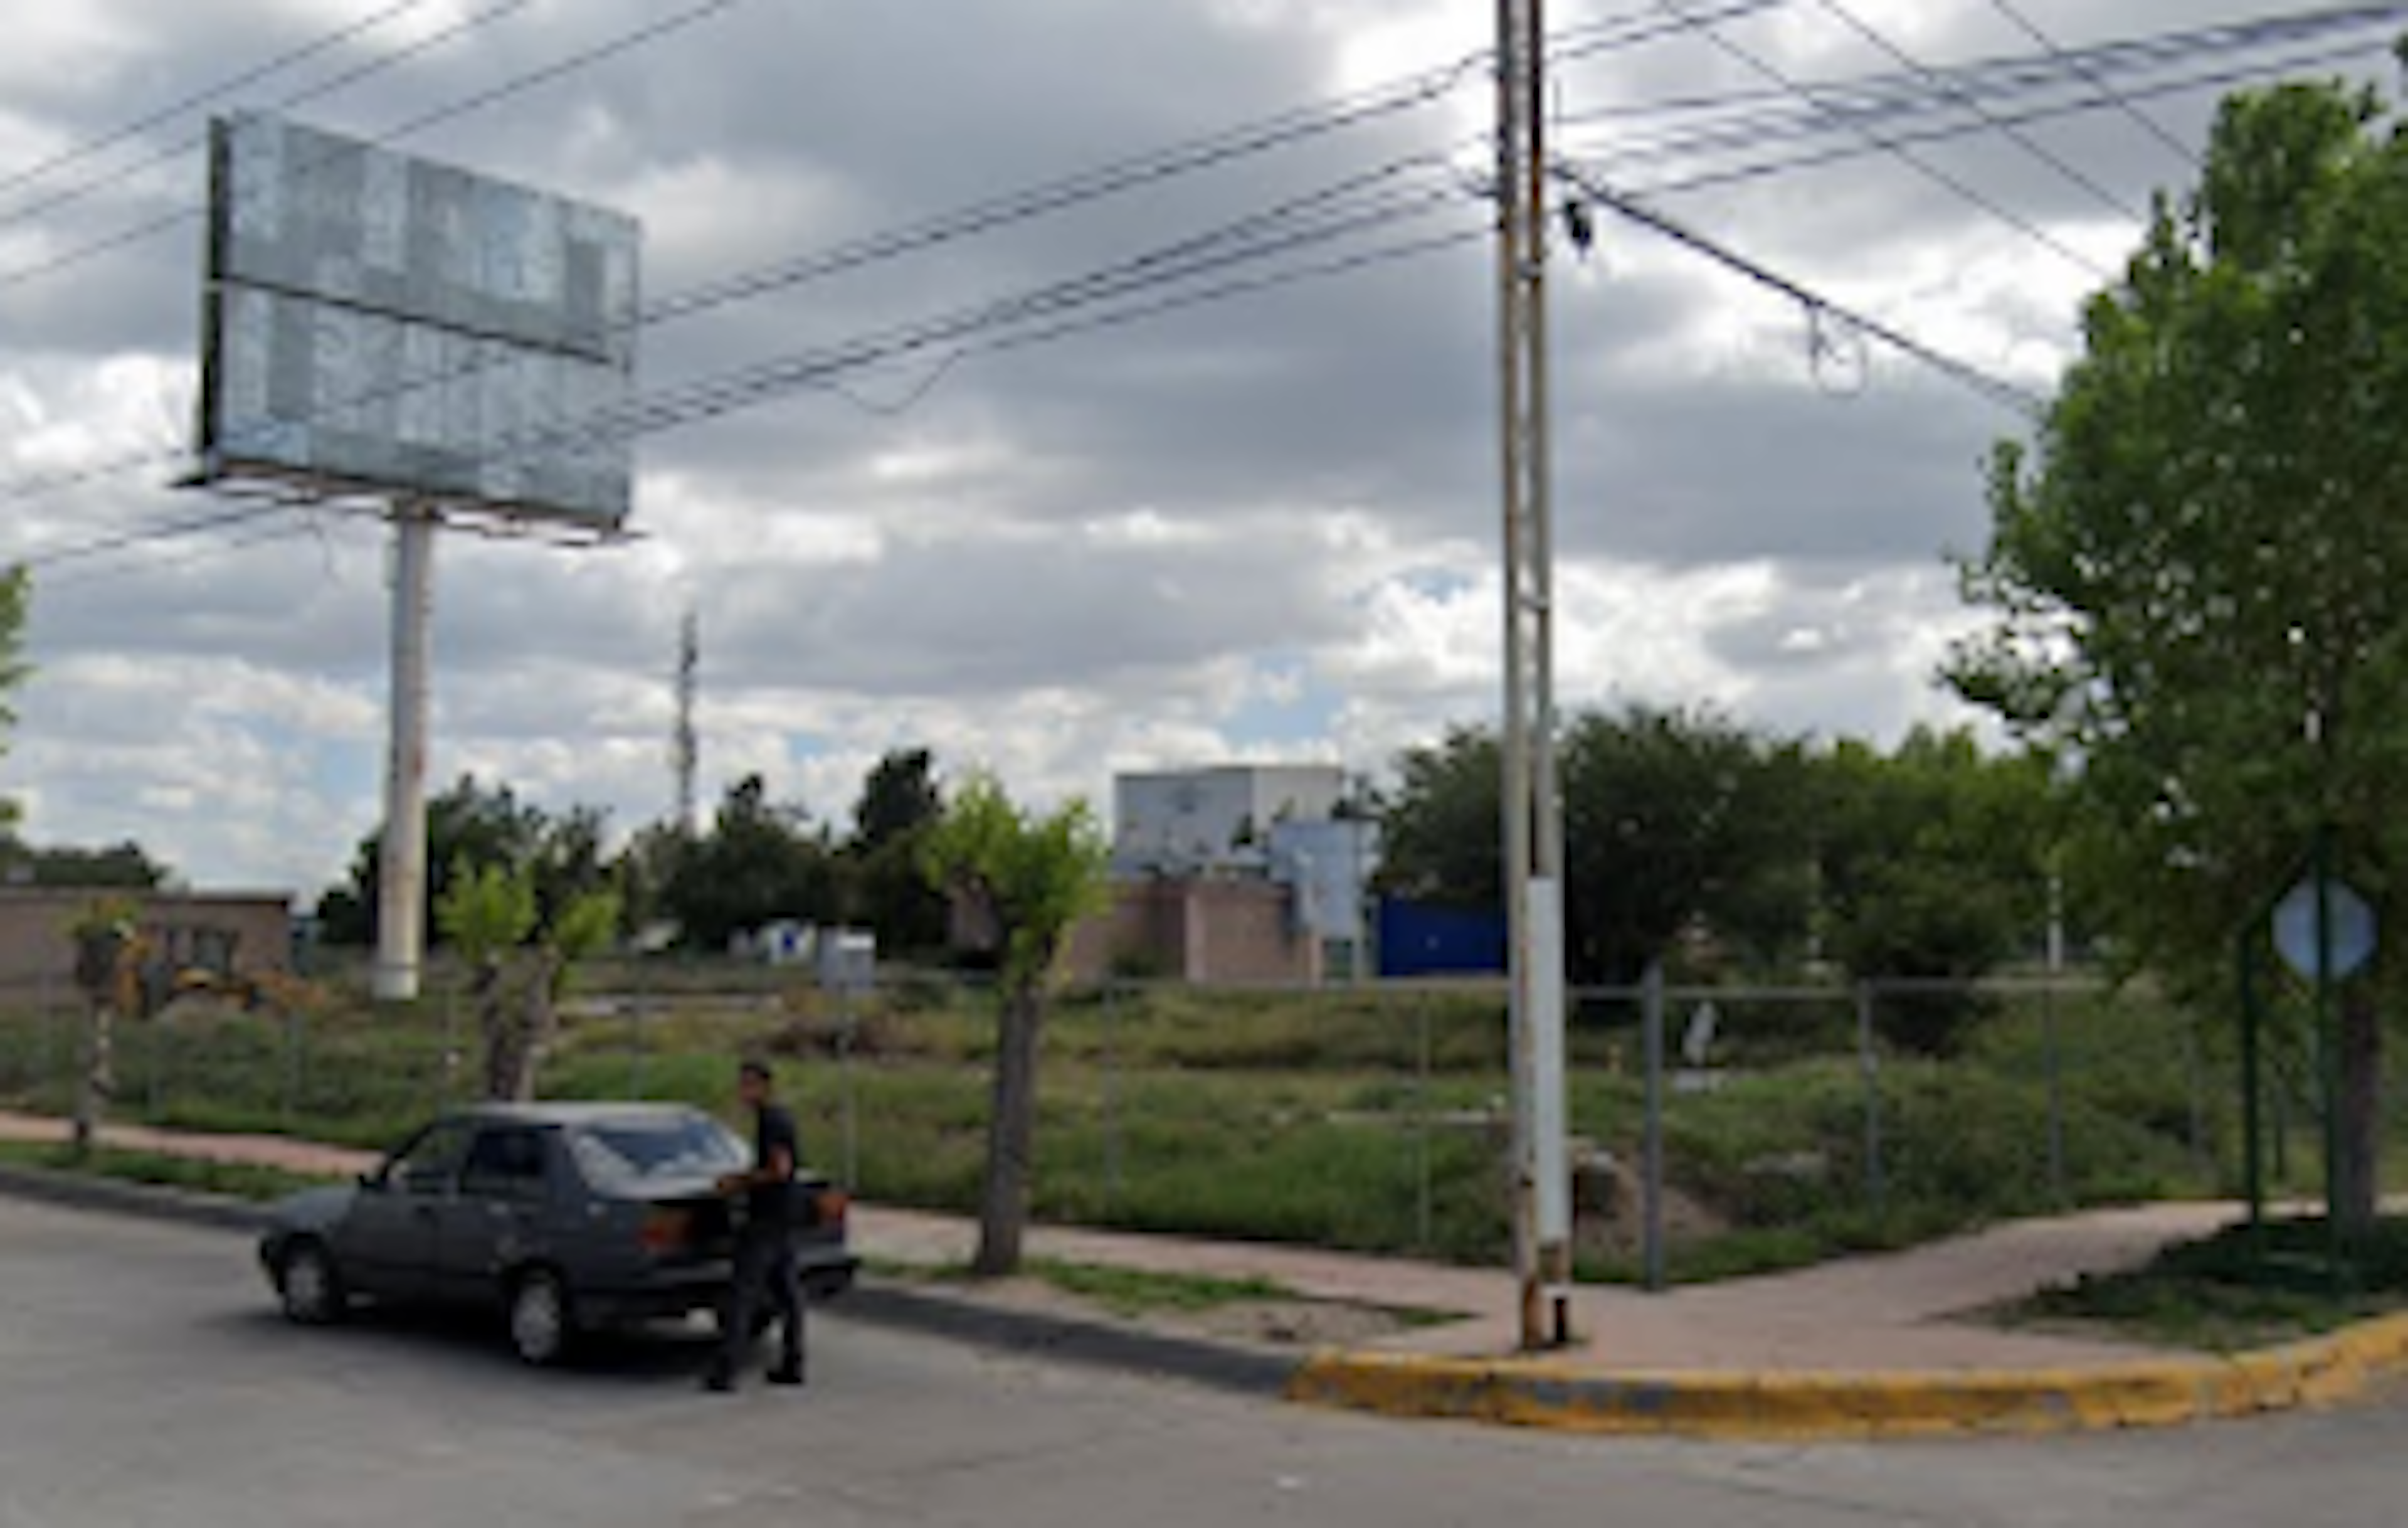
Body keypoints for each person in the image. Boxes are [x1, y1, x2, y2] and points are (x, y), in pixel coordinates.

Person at [704, 1059, 805, 1393]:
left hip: (767, 1219)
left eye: (748, 1084)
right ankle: (793, 1363)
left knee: (743, 1294)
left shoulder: (772, 1120)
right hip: (785, 1217)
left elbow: (780, 1169)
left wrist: (738, 1183)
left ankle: (726, 1372)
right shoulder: (777, 1116)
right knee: (788, 1294)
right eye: (741, 1084)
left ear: (764, 1086)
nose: (742, 1091)